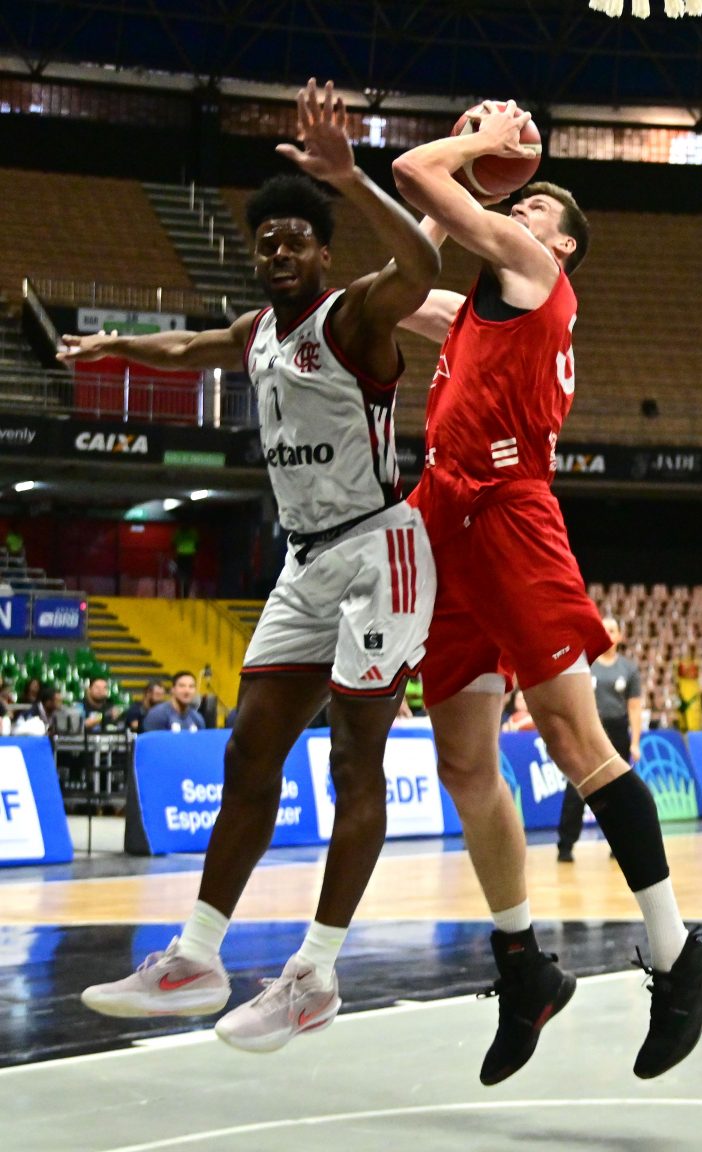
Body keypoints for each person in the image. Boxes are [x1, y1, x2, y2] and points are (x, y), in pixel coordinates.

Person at [63, 78, 438, 1051]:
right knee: (247, 753)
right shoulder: (258, 332)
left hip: (379, 550)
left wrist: (348, 178)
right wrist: (113, 345)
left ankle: (316, 973)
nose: (278, 252)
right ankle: (196, 956)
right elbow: (189, 343)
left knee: (354, 761)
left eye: (295, 240)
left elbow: (424, 262)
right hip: (305, 562)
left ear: (322, 253)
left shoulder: (355, 317)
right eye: (266, 241)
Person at [392, 100, 702, 1084]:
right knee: (464, 760)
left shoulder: (536, 271)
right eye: (519, 202)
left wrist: (478, 145)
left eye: (538, 206)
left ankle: (678, 952)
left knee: (575, 741)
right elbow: (395, 286)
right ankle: (523, 967)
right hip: (446, 520)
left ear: (564, 246)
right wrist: (442, 205)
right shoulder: (476, 306)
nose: (521, 209)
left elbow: (416, 169)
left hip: (508, 515)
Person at [556, 616, 642, 862]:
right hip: (586, 729)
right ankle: (565, 845)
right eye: (604, 630)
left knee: (617, 791)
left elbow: (634, 708)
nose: (608, 634)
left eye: (613, 630)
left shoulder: (629, 669)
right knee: (577, 788)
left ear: (620, 636)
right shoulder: (585, 664)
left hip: (617, 732)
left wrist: (635, 742)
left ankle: (620, 845)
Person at [172, 523, 199, 599]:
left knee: (183, 576)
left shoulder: (179, 532)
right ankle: (183, 595)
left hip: (183, 555)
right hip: (187, 555)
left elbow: (173, 544)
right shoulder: (192, 532)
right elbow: (197, 544)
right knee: (185, 576)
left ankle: (182, 595)